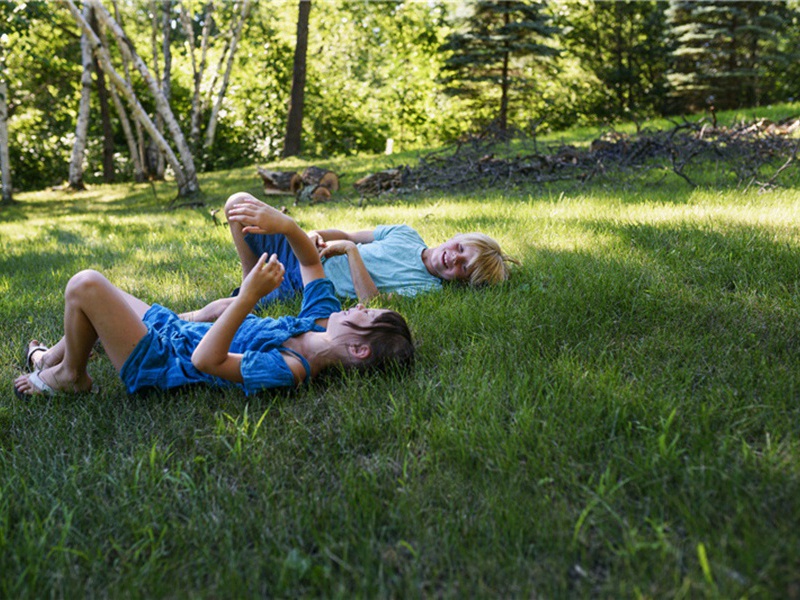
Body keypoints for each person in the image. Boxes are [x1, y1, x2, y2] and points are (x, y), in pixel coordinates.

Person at [13, 203, 414, 399]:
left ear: (359, 349)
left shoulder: (291, 368)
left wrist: (248, 298)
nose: (361, 305)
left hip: (160, 363)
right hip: (174, 330)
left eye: (369, 313)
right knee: (103, 303)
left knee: (86, 286)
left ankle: (71, 377)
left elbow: (208, 361)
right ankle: (49, 363)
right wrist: (286, 225)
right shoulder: (320, 320)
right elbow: (311, 262)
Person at [189, 192, 518, 321]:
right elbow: (347, 235)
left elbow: (371, 300)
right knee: (237, 204)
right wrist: (318, 236)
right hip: (303, 254)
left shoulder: (427, 288)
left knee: (222, 310)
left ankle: (177, 320)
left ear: (460, 281)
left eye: (463, 268)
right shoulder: (405, 233)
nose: (453, 259)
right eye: (460, 250)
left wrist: (349, 254)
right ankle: (251, 271)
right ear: (456, 237)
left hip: (309, 283)